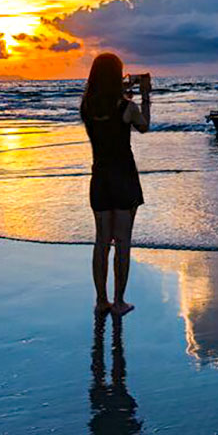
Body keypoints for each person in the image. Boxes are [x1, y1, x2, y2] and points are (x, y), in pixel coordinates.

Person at [80, 53, 151, 316]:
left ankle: (101, 300)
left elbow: (105, 110)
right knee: (122, 242)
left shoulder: (87, 106)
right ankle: (119, 301)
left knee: (102, 241)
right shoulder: (127, 107)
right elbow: (144, 127)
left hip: (99, 177)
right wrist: (144, 96)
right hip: (124, 178)